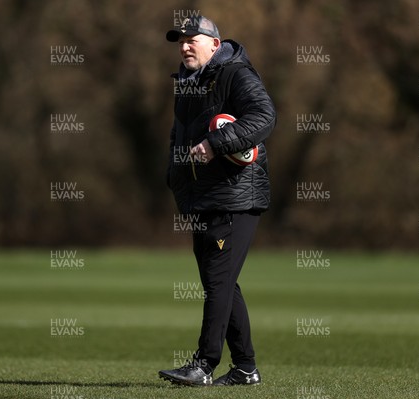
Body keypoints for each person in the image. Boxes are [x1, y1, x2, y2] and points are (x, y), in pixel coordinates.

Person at [158, 16, 276, 386]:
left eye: (193, 39)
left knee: (218, 283)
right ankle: (245, 369)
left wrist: (216, 144)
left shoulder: (235, 74)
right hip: (201, 199)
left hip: (235, 197)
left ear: (215, 43)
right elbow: (179, 134)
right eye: (180, 41)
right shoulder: (187, 83)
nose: (185, 46)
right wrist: (174, 175)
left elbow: (264, 116)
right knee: (221, 283)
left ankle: (204, 364)